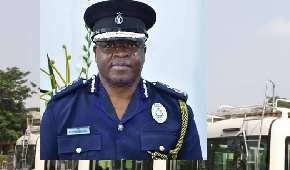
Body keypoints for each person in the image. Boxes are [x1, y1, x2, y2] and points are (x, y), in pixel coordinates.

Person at [40, 0, 203, 160]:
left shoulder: (176, 111)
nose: (120, 53)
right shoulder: (60, 109)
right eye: (109, 46)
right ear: (96, 52)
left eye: (131, 45)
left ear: (144, 51)